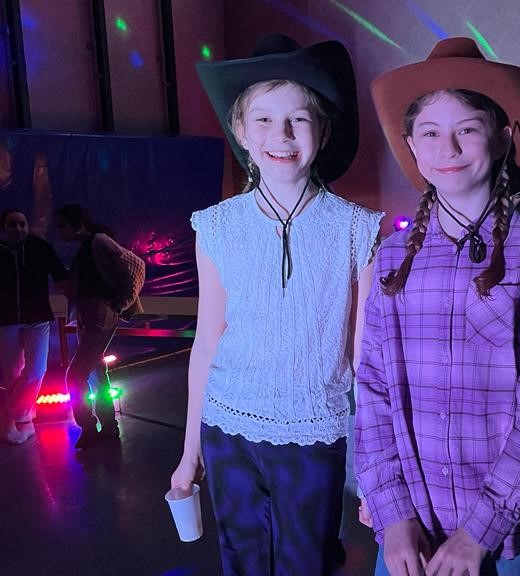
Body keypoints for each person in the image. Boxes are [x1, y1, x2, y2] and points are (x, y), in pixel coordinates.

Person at [169, 34, 382, 576]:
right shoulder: (217, 226)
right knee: (241, 562)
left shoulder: (355, 230)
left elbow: (364, 357)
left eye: (298, 119)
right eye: (262, 119)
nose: (281, 135)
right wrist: (190, 453)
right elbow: (207, 343)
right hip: (227, 428)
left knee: (307, 563)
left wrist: (374, 468)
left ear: (323, 131)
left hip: (314, 432)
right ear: (241, 131)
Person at [355, 38, 520, 576]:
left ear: (502, 139)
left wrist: (480, 531)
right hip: (411, 524)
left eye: (467, 129)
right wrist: (391, 511)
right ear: (411, 146)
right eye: (430, 133)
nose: (447, 147)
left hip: (503, 530)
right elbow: (373, 387)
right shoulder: (392, 258)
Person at [56, 203, 144, 449]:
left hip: (99, 313)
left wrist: (123, 302)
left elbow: (136, 264)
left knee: (75, 375)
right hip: (89, 313)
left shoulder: (99, 241)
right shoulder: (87, 246)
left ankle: (88, 427)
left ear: (78, 225)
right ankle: (108, 426)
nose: (59, 232)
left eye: (63, 226)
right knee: (95, 372)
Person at [0, 209, 67, 443]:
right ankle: (23, 422)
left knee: (37, 369)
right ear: (3, 228)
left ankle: (11, 415)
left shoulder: (39, 247)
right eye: (12, 224)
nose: (18, 228)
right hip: (5, 319)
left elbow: (61, 276)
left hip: (38, 317)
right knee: (12, 372)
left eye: (22, 224)